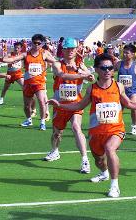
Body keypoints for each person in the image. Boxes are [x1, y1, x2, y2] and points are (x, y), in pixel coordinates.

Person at [47, 54, 136, 198]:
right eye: (104, 68)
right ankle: (104, 173)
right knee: (99, 160)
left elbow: (129, 103)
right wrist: (60, 105)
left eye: (110, 68)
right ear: (96, 70)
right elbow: (79, 105)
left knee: (110, 149)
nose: (107, 70)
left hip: (116, 129)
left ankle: (115, 185)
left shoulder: (118, 86)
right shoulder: (92, 89)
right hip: (96, 132)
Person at [44, 38, 94, 174]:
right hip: (59, 104)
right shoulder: (57, 64)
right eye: (68, 48)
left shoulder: (80, 64)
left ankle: (85, 160)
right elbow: (61, 74)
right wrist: (80, 75)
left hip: (76, 104)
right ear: (63, 50)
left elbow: (92, 78)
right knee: (56, 133)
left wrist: (81, 71)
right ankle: (55, 151)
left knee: (76, 128)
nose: (71, 51)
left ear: (76, 50)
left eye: (73, 48)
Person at [0, 34, 56, 131]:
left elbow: (55, 62)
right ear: (32, 43)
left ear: (41, 44)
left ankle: (42, 122)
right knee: (26, 105)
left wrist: (61, 66)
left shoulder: (44, 53)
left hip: (39, 83)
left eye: (39, 43)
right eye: (35, 43)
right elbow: (13, 59)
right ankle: (29, 120)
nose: (37, 45)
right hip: (28, 83)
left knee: (42, 101)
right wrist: (4, 60)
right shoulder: (26, 54)